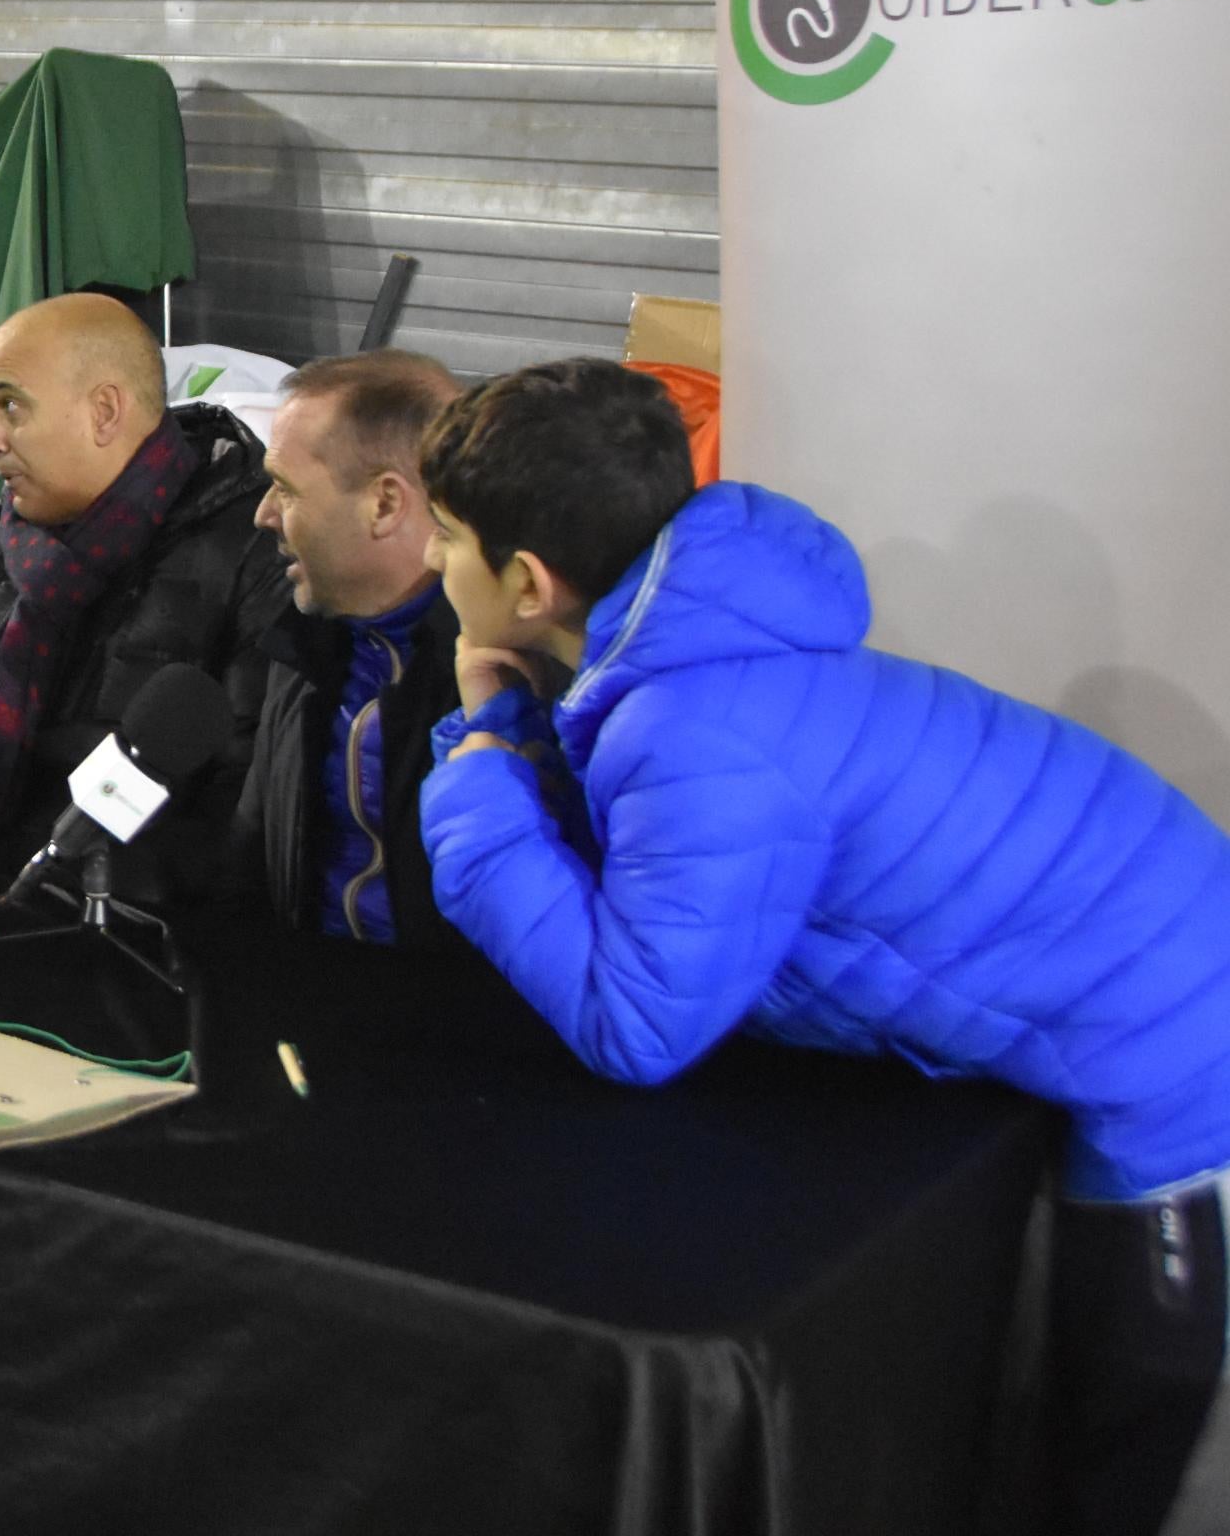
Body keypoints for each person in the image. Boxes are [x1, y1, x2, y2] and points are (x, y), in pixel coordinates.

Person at [414, 357, 1230, 1536]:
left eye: (447, 537)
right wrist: (509, 717)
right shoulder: (709, 648)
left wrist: (479, 781)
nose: (437, 566)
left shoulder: (696, 726)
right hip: (1164, 982)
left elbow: (636, 1020)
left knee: (1116, 1467)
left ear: (530, 580)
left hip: (1183, 1059)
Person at [0, 292, 291, 893]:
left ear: (105, 412)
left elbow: (243, 817)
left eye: (10, 406)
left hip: (122, 951)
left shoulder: (252, 554)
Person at [230, 350, 468, 944]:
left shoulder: (511, 682)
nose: (263, 516)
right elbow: (252, 865)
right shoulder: (301, 645)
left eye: (285, 490)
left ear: (385, 503)